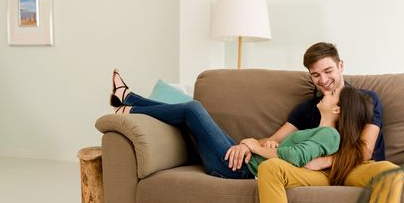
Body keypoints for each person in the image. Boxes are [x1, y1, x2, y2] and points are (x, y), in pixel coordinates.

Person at [239, 42, 404, 203]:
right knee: (269, 167)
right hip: (320, 175)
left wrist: (325, 161)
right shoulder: (308, 108)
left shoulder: (365, 99)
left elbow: (365, 150)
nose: (323, 80)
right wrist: (247, 144)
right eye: (316, 75)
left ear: (340, 65)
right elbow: (273, 140)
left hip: (357, 168)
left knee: (391, 172)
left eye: (328, 71)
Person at [109, 70, 367, 179]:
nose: (326, 91)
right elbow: (283, 147)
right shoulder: (319, 131)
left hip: (236, 171)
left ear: (337, 109)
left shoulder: (330, 136)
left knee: (193, 109)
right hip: (239, 160)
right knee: (192, 112)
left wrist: (254, 145)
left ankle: (129, 106)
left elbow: (292, 157)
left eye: (332, 95)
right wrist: (254, 143)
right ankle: (127, 99)